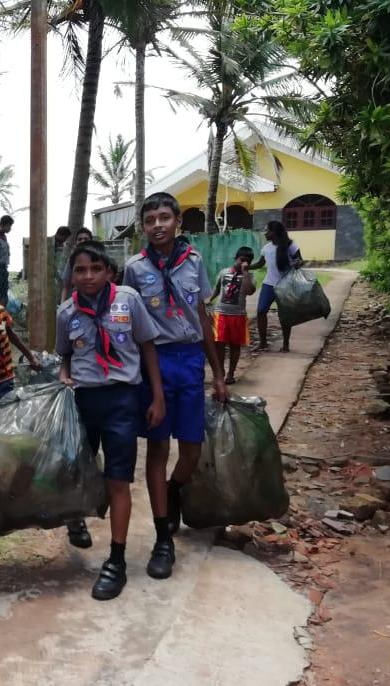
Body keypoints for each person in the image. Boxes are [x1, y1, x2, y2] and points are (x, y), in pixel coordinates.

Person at [122, 192, 228, 578]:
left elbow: (202, 316)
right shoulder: (134, 267)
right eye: (150, 220)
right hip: (154, 364)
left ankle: (173, 490)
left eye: (164, 218)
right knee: (156, 450)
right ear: (143, 226)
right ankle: (162, 537)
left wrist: (217, 373)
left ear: (178, 221)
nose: (157, 226)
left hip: (188, 361)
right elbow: (129, 322)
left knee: (191, 450)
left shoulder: (194, 262)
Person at [57, 243, 165, 599]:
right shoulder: (67, 313)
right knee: (82, 471)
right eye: (80, 270)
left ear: (109, 272)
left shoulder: (128, 300)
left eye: (95, 269)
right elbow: (66, 356)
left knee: (118, 481)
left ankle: (116, 561)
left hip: (122, 400)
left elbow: (148, 347)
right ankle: (76, 517)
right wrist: (63, 373)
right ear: (72, 275)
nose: (88, 277)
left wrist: (157, 397)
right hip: (85, 400)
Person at [253, 220, 303, 352]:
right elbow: (260, 264)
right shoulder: (266, 248)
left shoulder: (290, 245)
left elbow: (300, 260)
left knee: (284, 315)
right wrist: (246, 267)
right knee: (261, 311)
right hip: (268, 284)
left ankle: (286, 344)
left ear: (273, 232)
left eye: (266, 231)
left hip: (285, 286)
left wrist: (298, 263)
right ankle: (263, 342)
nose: (264, 233)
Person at [208, 246, 256, 384]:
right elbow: (217, 289)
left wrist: (245, 272)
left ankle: (231, 373)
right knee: (219, 344)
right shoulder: (224, 272)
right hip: (221, 313)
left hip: (238, 315)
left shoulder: (249, 276)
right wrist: (209, 300)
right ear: (236, 258)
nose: (243, 263)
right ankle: (220, 370)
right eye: (241, 260)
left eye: (247, 261)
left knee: (235, 345)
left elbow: (249, 291)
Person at [61, 227, 95, 301]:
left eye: (86, 239)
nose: (83, 241)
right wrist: (62, 304)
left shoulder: (98, 258)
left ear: (91, 241)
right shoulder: (71, 260)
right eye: (80, 239)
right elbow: (65, 286)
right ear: (76, 242)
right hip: (76, 301)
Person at [0, 215, 14, 306]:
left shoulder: (3, 237)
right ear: (4, 225)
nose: (10, 228)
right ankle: (0, 312)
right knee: (1, 293)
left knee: (4, 292)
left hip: (3, 267)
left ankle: (2, 311)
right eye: (9, 226)